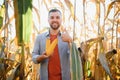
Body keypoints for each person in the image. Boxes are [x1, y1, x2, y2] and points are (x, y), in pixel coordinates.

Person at [32, 8, 72, 80]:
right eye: (52, 17)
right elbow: (34, 57)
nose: (55, 20)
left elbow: (74, 58)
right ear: (48, 20)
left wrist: (70, 41)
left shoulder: (66, 38)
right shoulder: (40, 38)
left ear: (61, 20)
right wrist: (41, 57)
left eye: (57, 17)